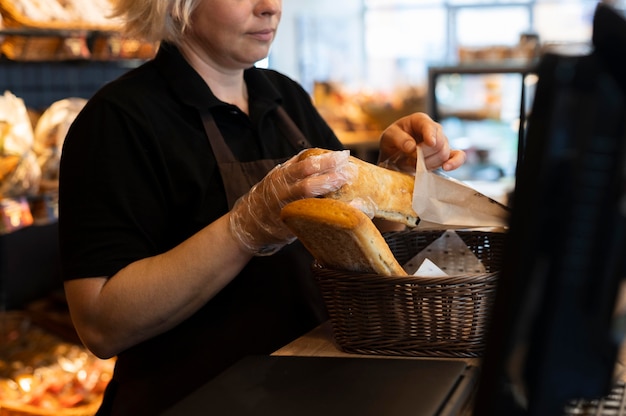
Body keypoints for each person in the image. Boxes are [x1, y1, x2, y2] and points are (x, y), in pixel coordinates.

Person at [58, 0, 466, 414]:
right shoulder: (118, 119)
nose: (270, 7)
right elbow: (100, 324)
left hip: (309, 380)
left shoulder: (284, 96)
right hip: (193, 398)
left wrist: (390, 184)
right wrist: (244, 229)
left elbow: (359, 246)